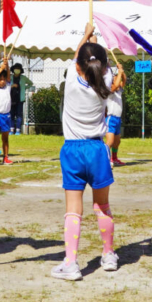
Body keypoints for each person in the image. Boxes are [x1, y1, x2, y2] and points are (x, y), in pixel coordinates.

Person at [50, 22, 119, 281]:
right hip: (97, 149)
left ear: (78, 65)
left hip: (73, 150)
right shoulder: (106, 83)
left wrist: (85, 34)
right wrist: (95, 45)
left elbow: (78, 59)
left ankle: (71, 262)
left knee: (73, 210)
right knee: (103, 205)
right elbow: (98, 66)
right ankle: (109, 254)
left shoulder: (71, 78)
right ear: (103, 66)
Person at [105, 59, 126, 167]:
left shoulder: (119, 90)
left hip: (118, 119)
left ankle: (114, 158)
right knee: (110, 141)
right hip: (110, 118)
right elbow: (117, 83)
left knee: (117, 142)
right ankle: (105, 160)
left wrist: (121, 71)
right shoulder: (110, 89)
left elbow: (123, 80)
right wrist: (119, 73)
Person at [9, 63, 34, 135]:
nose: (17, 70)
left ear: (20, 70)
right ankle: (11, 129)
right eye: (15, 68)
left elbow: (30, 83)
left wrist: (24, 88)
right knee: (11, 114)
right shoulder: (10, 77)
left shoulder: (23, 78)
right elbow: (6, 85)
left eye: (18, 69)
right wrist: (12, 85)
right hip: (11, 98)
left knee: (19, 115)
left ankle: (18, 130)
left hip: (20, 99)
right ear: (13, 70)